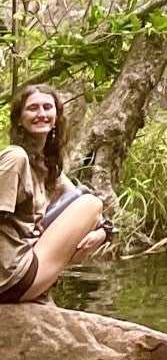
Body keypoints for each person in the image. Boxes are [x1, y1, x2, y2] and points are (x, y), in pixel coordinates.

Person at [2, 85, 110, 306]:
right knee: (91, 202)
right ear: (19, 119)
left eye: (47, 107)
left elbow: (84, 208)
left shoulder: (47, 168)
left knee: (86, 198)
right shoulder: (15, 157)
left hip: (26, 269)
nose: (41, 113)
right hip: (11, 275)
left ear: (56, 118)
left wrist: (105, 232)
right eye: (32, 108)